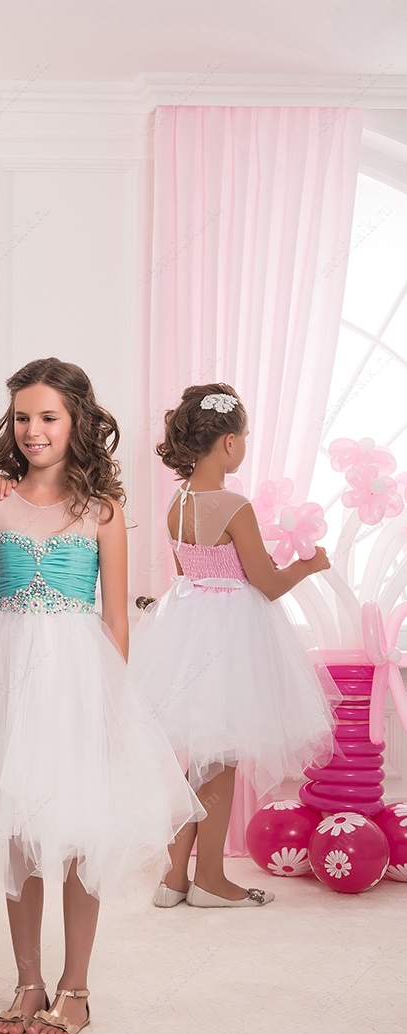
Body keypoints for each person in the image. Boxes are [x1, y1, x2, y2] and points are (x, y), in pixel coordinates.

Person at [0, 358, 202, 1034]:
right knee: (19, 829)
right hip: (7, 678)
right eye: (22, 417)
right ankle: (28, 982)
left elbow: (116, 619)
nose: (33, 430)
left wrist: (111, 703)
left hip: (78, 680)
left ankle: (75, 987)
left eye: (48, 417)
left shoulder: (102, 511)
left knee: (81, 829)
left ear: (77, 421)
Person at [131, 382, 335, 909]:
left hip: (190, 631)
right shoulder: (234, 506)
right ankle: (211, 880)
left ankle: (174, 879)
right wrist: (309, 566)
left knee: (200, 762)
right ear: (227, 442)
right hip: (230, 640)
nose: (243, 445)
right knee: (220, 763)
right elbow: (265, 584)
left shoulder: (177, 503)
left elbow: (190, 572)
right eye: (243, 437)